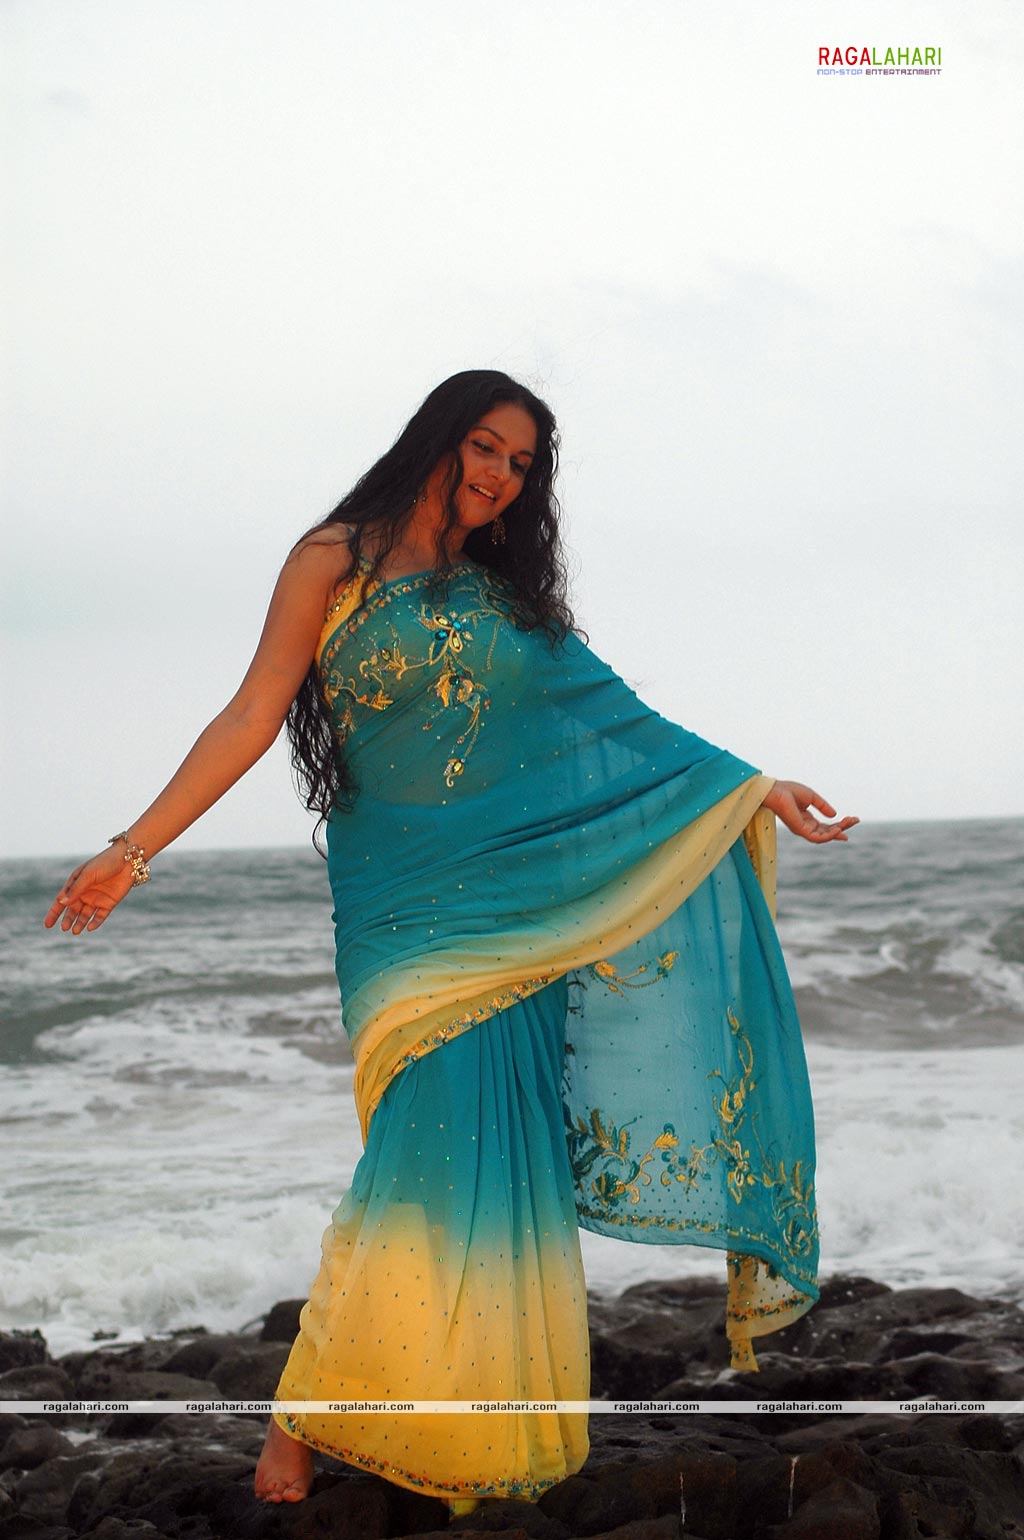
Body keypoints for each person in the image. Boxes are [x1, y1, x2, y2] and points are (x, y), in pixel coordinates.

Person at [45, 369, 857, 1512]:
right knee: (418, 1147)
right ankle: (300, 1417)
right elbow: (251, 711)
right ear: (437, 438)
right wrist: (133, 850)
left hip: (514, 916)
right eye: (485, 446)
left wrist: (751, 786)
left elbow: (616, 720)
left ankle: (461, 1428)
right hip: (403, 909)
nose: (499, 476)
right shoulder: (333, 559)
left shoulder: (503, 598)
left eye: (521, 464)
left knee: (492, 1159)